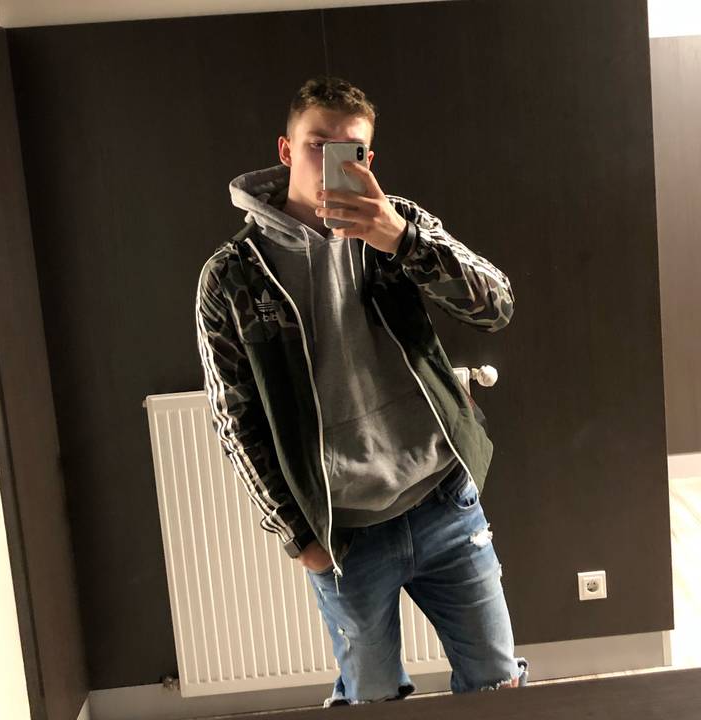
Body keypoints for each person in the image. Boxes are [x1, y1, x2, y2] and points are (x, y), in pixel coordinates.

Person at [195, 75, 528, 707]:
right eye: (316, 144)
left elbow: (496, 306)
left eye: (347, 149)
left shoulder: (398, 226)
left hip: (443, 501)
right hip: (343, 534)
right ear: (286, 150)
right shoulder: (233, 275)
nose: (330, 160)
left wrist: (402, 240)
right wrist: (300, 538)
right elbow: (234, 418)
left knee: (497, 688)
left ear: (367, 159)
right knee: (372, 702)